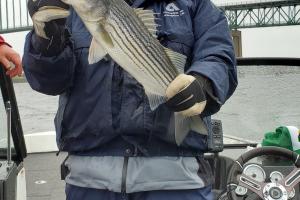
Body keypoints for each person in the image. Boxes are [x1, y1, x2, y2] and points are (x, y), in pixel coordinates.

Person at [23, 0, 238, 199]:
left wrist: (204, 83)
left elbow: (218, 56)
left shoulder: (194, 4)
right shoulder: (68, 10)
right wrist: (46, 40)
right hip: (88, 181)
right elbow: (49, 83)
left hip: (177, 181)